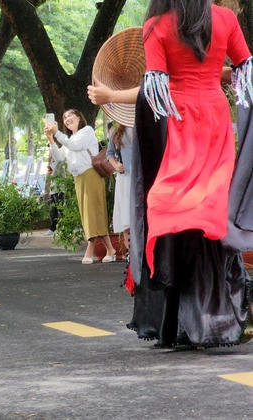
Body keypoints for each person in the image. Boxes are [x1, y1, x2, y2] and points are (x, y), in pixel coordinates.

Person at [91, 1, 253, 346]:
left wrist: (110, 95)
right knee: (210, 210)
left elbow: (155, 89)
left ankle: (177, 324)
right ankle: (220, 317)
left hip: (178, 125)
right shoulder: (224, 18)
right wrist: (216, 73)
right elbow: (245, 69)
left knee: (169, 210)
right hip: (215, 121)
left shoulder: (157, 26)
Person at [44, 109, 117, 264]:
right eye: (64, 117)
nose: (67, 118)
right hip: (78, 178)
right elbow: (59, 157)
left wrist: (57, 133)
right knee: (90, 214)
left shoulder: (87, 131)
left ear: (79, 117)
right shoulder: (69, 138)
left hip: (91, 175)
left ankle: (89, 250)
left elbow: (75, 146)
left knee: (92, 213)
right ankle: (110, 249)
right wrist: (51, 139)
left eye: (70, 115)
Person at [105, 121, 133, 249]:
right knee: (127, 219)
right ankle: (130, 255)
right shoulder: (116, 130)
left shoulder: (145, 124)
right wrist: (116, 165)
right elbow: (109, 153)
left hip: (142, 178)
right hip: (125, 178)